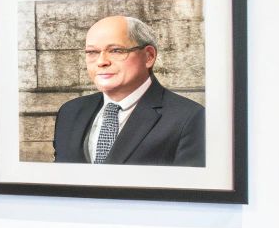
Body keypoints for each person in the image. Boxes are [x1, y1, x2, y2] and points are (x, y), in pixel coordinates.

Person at [51, 15, 205, 166]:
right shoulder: (70, 112)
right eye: (92, 52)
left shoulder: (190, 118)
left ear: (149, 56)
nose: (102, 62)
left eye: (116, 50)